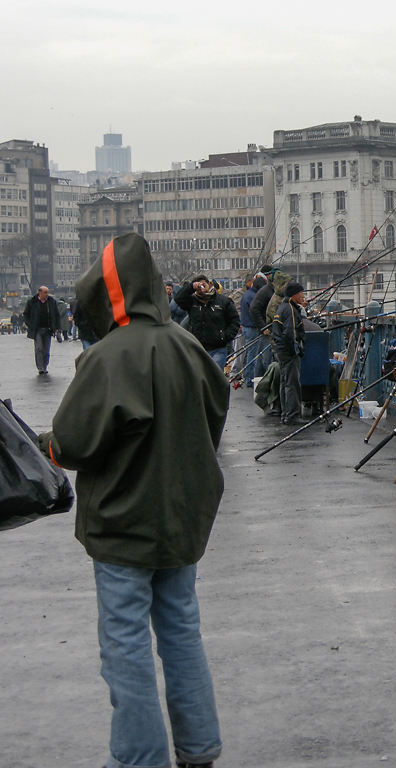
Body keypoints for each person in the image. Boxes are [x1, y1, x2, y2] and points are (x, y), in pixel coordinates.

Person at [37, 233, 229, 768]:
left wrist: (43, 446)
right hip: (183, 522)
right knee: (181, 631)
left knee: (125, 645)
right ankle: (199, 747)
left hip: (125, 524)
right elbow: (213, 417)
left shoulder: (109, 357)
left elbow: (72, 443)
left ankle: (138, 759)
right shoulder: (188, 344)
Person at [173, 275, 241, 370]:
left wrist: (225, 336)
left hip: (218, 348)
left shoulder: (223, 301)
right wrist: (191, 287)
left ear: (209, 284)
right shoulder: (192, 302)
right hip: (198, 348)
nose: (201, 289)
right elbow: (178, 299)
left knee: (215, 377)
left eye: (203, 285)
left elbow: (234, 320)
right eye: (198, 287)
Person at [271, 281, 306, 425]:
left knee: (284, 382)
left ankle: (285, 414)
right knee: (292, 383)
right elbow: (290, 333)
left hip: (280, 351)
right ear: (295, 294)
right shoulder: (290, 309)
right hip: (288, 353)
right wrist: (296, 350)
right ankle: (293, 415)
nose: (303, 296)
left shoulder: (282, 307)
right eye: (301, 293)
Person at [22, 284, 62, 375]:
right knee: (39, 348)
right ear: (39, 292)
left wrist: (58, 329)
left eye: (47, 292)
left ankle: (45, 366)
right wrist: (30, 324)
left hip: (48, 329)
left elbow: (57, 315)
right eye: (45, 292)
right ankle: (40, 367)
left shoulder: (51, 301)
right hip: (37, 330)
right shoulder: (32, 301)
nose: (47, 294)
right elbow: (26, 314)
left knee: (46, 350)